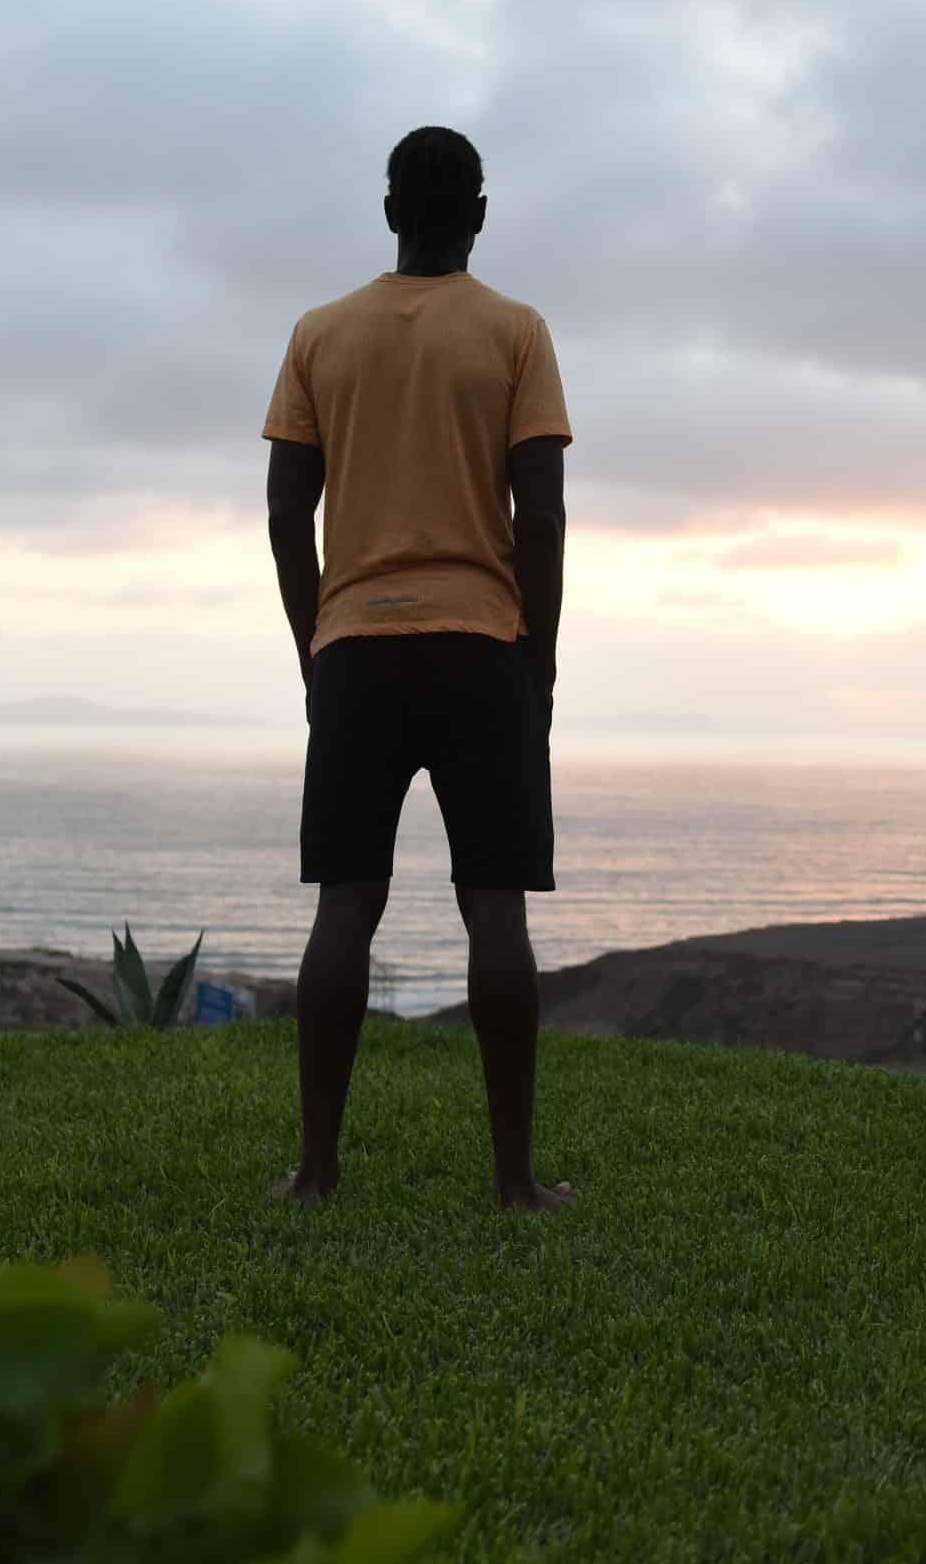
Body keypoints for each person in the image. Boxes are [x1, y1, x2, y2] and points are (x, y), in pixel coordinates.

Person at [260, 125, 576, 1214]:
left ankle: (317, 1172)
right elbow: (542, 514)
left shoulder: (320, 334)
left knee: (345, 907)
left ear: (390, 209)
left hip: (355, 650)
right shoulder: (516, 332)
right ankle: (514, 1181)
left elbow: (286, 513)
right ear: (479, 213)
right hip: (483, 648)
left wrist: (316, 639)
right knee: (497, 912)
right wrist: (538, 654)